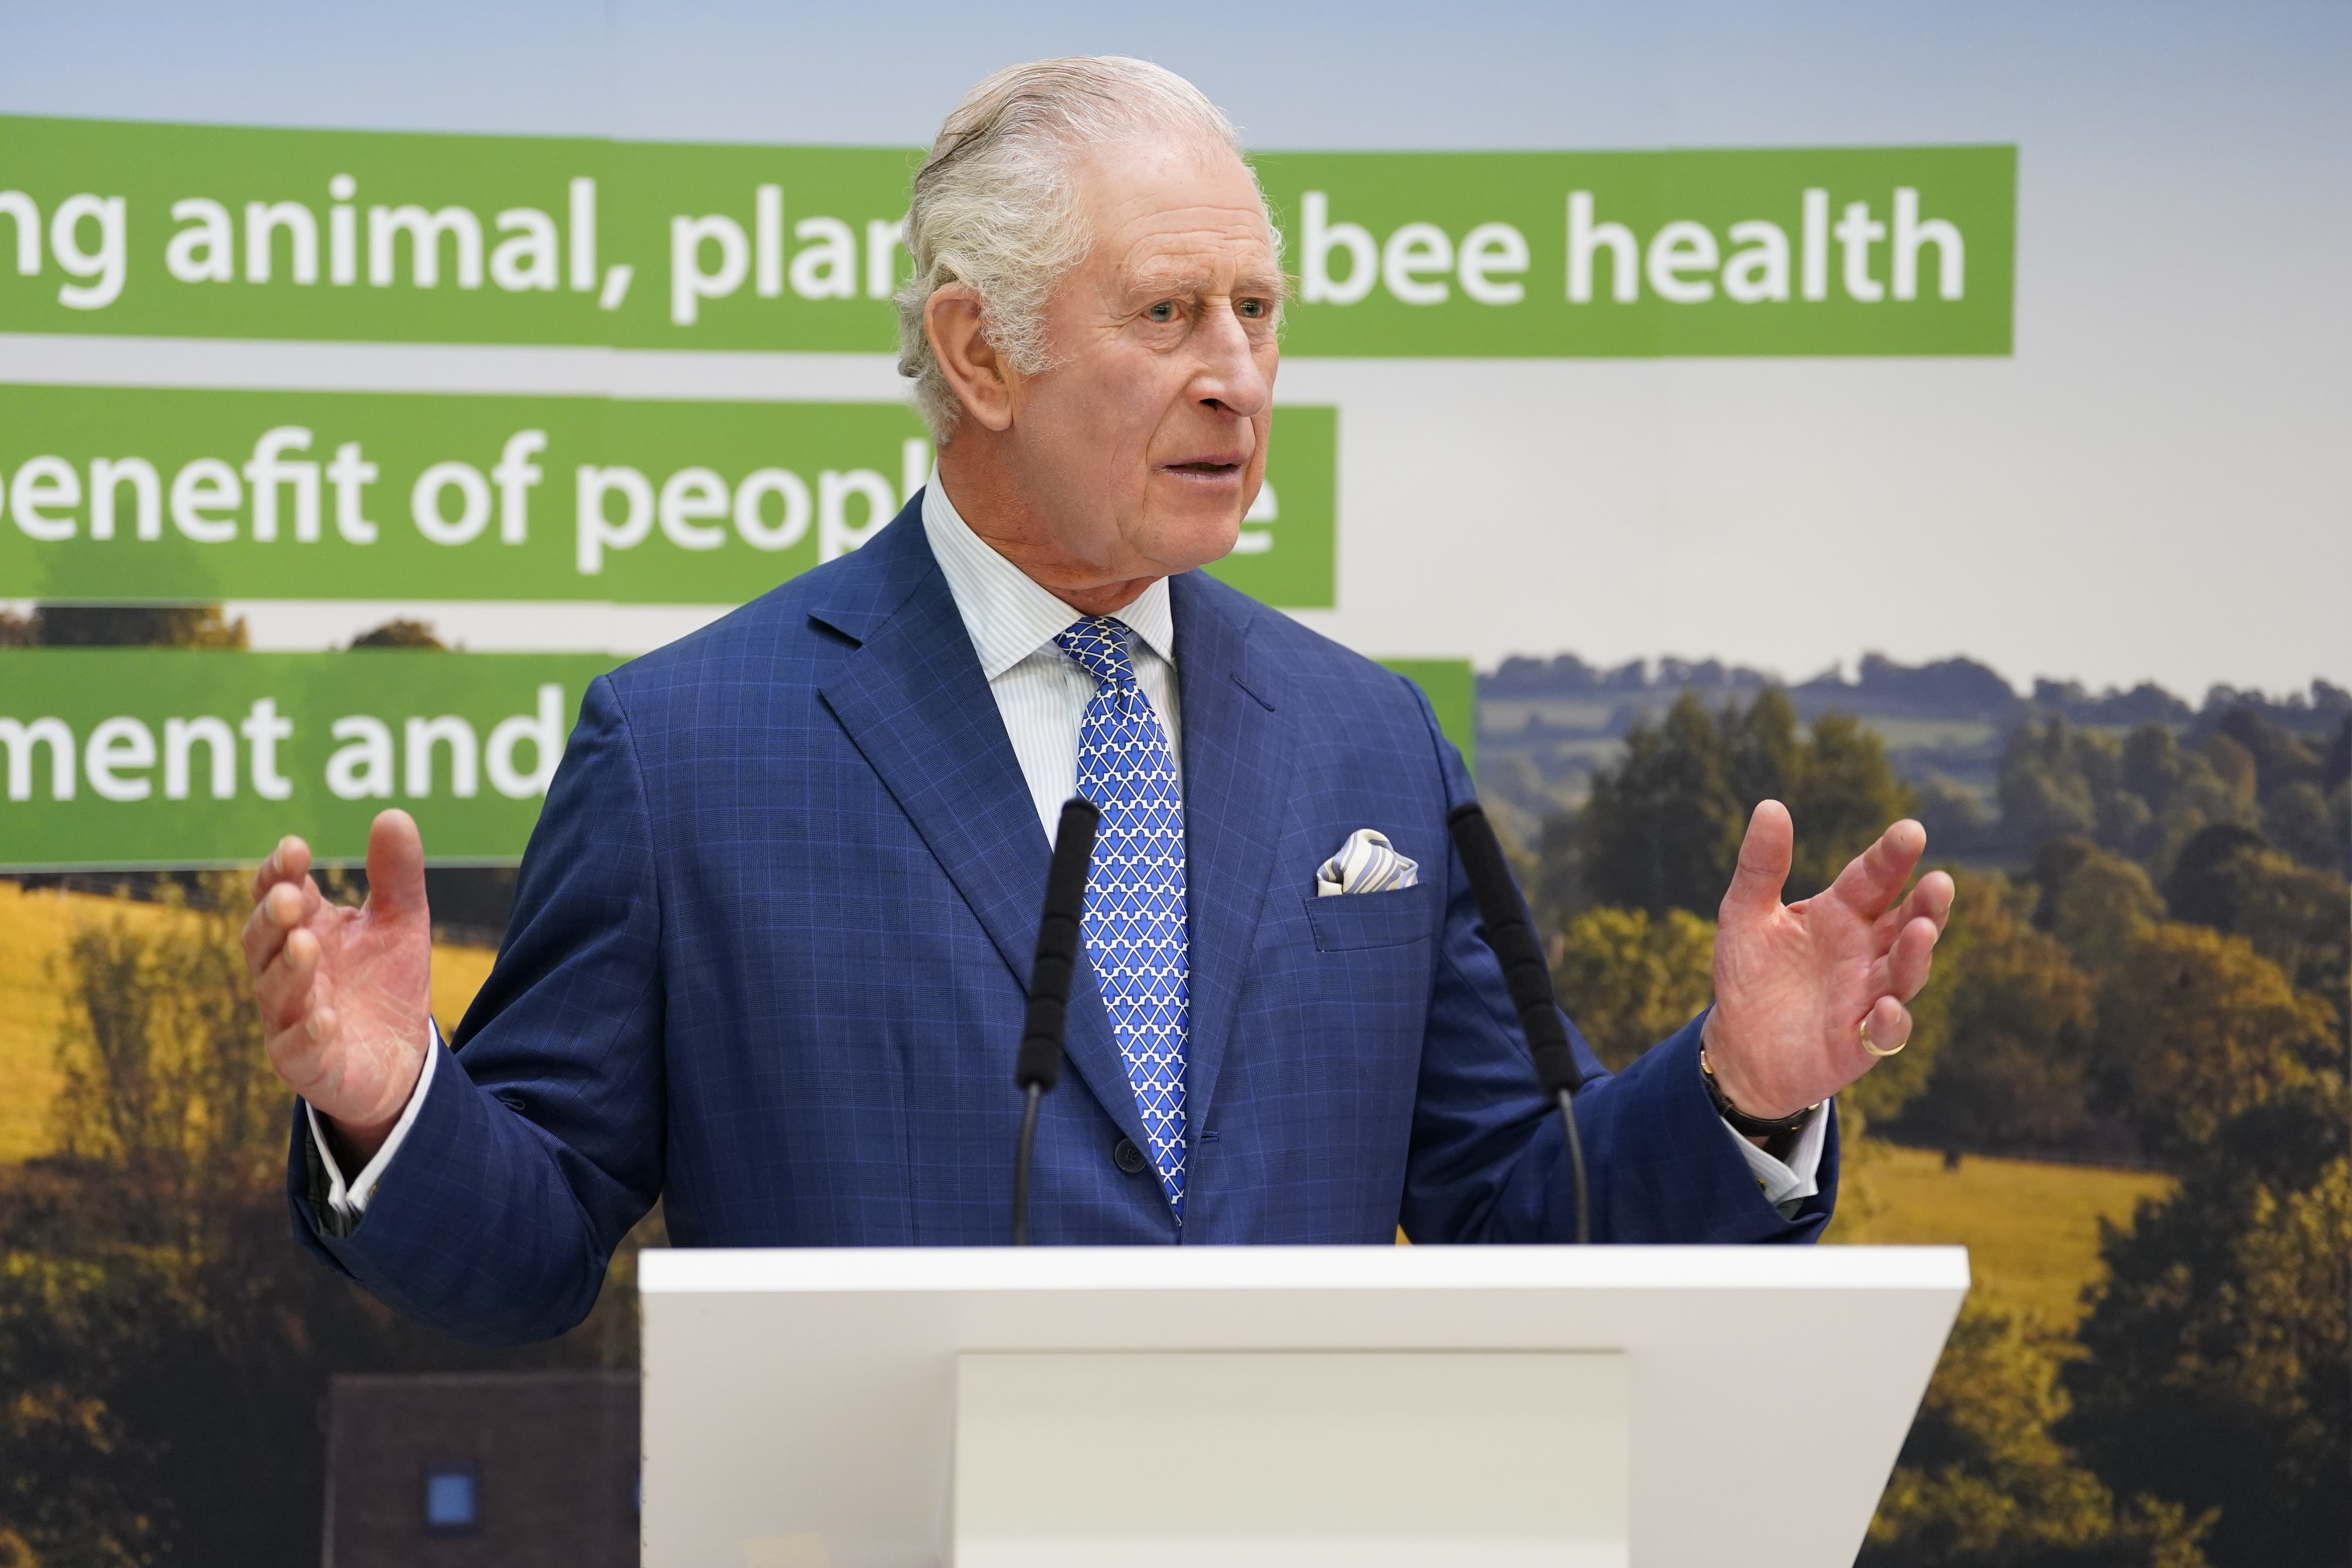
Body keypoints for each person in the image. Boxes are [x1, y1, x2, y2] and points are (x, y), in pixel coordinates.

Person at [242, 56, 1952, 1347]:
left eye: (1259, 312)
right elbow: (529, 1249)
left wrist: (1740, 1090)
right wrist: (395, 1113)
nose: (1239, 374)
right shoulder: (689, 752)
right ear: (980, 355)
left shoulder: (1369, 736)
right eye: (1168, 313)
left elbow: (1529, 1205)